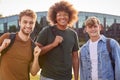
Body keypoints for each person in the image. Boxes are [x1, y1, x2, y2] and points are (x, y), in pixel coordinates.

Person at [32, 1, 79, 80]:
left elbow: (75, 58)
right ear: (55, 17)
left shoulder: (73, 34)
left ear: (70, 16)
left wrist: (76, 78)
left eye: (65, 15)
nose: (62, 17)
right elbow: (36, 51)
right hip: (48, 77)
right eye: (59, 15)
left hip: (67, 77)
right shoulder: (47, 31)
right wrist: (53, 44)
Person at [0, 9, 41, 80]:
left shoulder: (33, 47)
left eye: (31, 23)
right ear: (19, 23)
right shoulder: (7, 37)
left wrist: (36, 57)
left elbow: (33, 73)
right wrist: (2, 48)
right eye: (25, 22)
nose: (28, 25)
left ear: (34, 25)